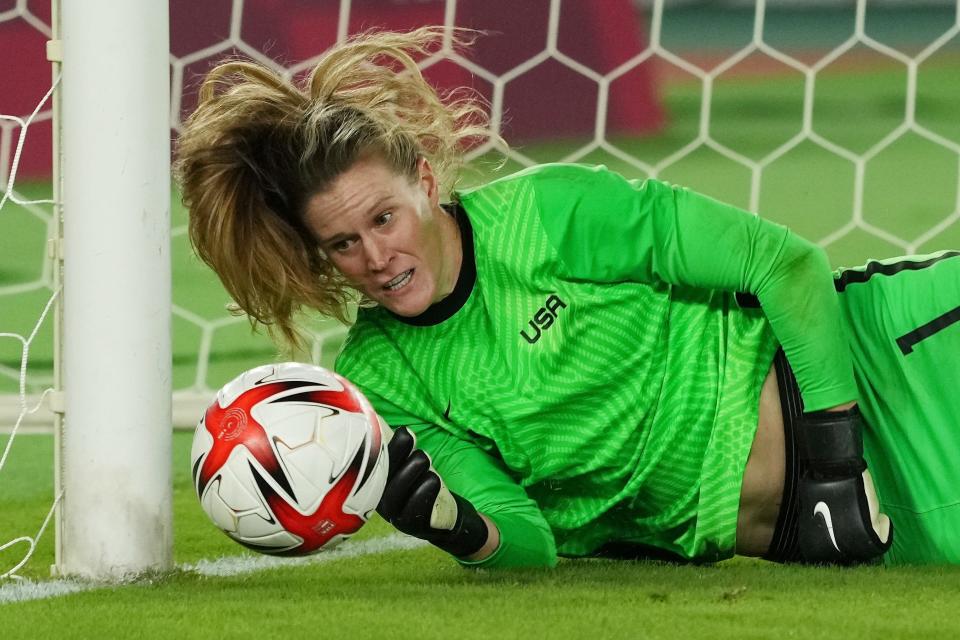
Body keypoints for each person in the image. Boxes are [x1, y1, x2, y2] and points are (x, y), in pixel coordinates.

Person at [175, 27, 960, 569]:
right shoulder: (382, 386)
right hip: (809, 528)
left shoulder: (547, 214)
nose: (375, 257)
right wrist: (446, 522)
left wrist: (833, 463)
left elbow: (781, 262)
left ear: (424, 181)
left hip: (882, 370)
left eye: (384, 219)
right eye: (344, 245)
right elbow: (526, 542)